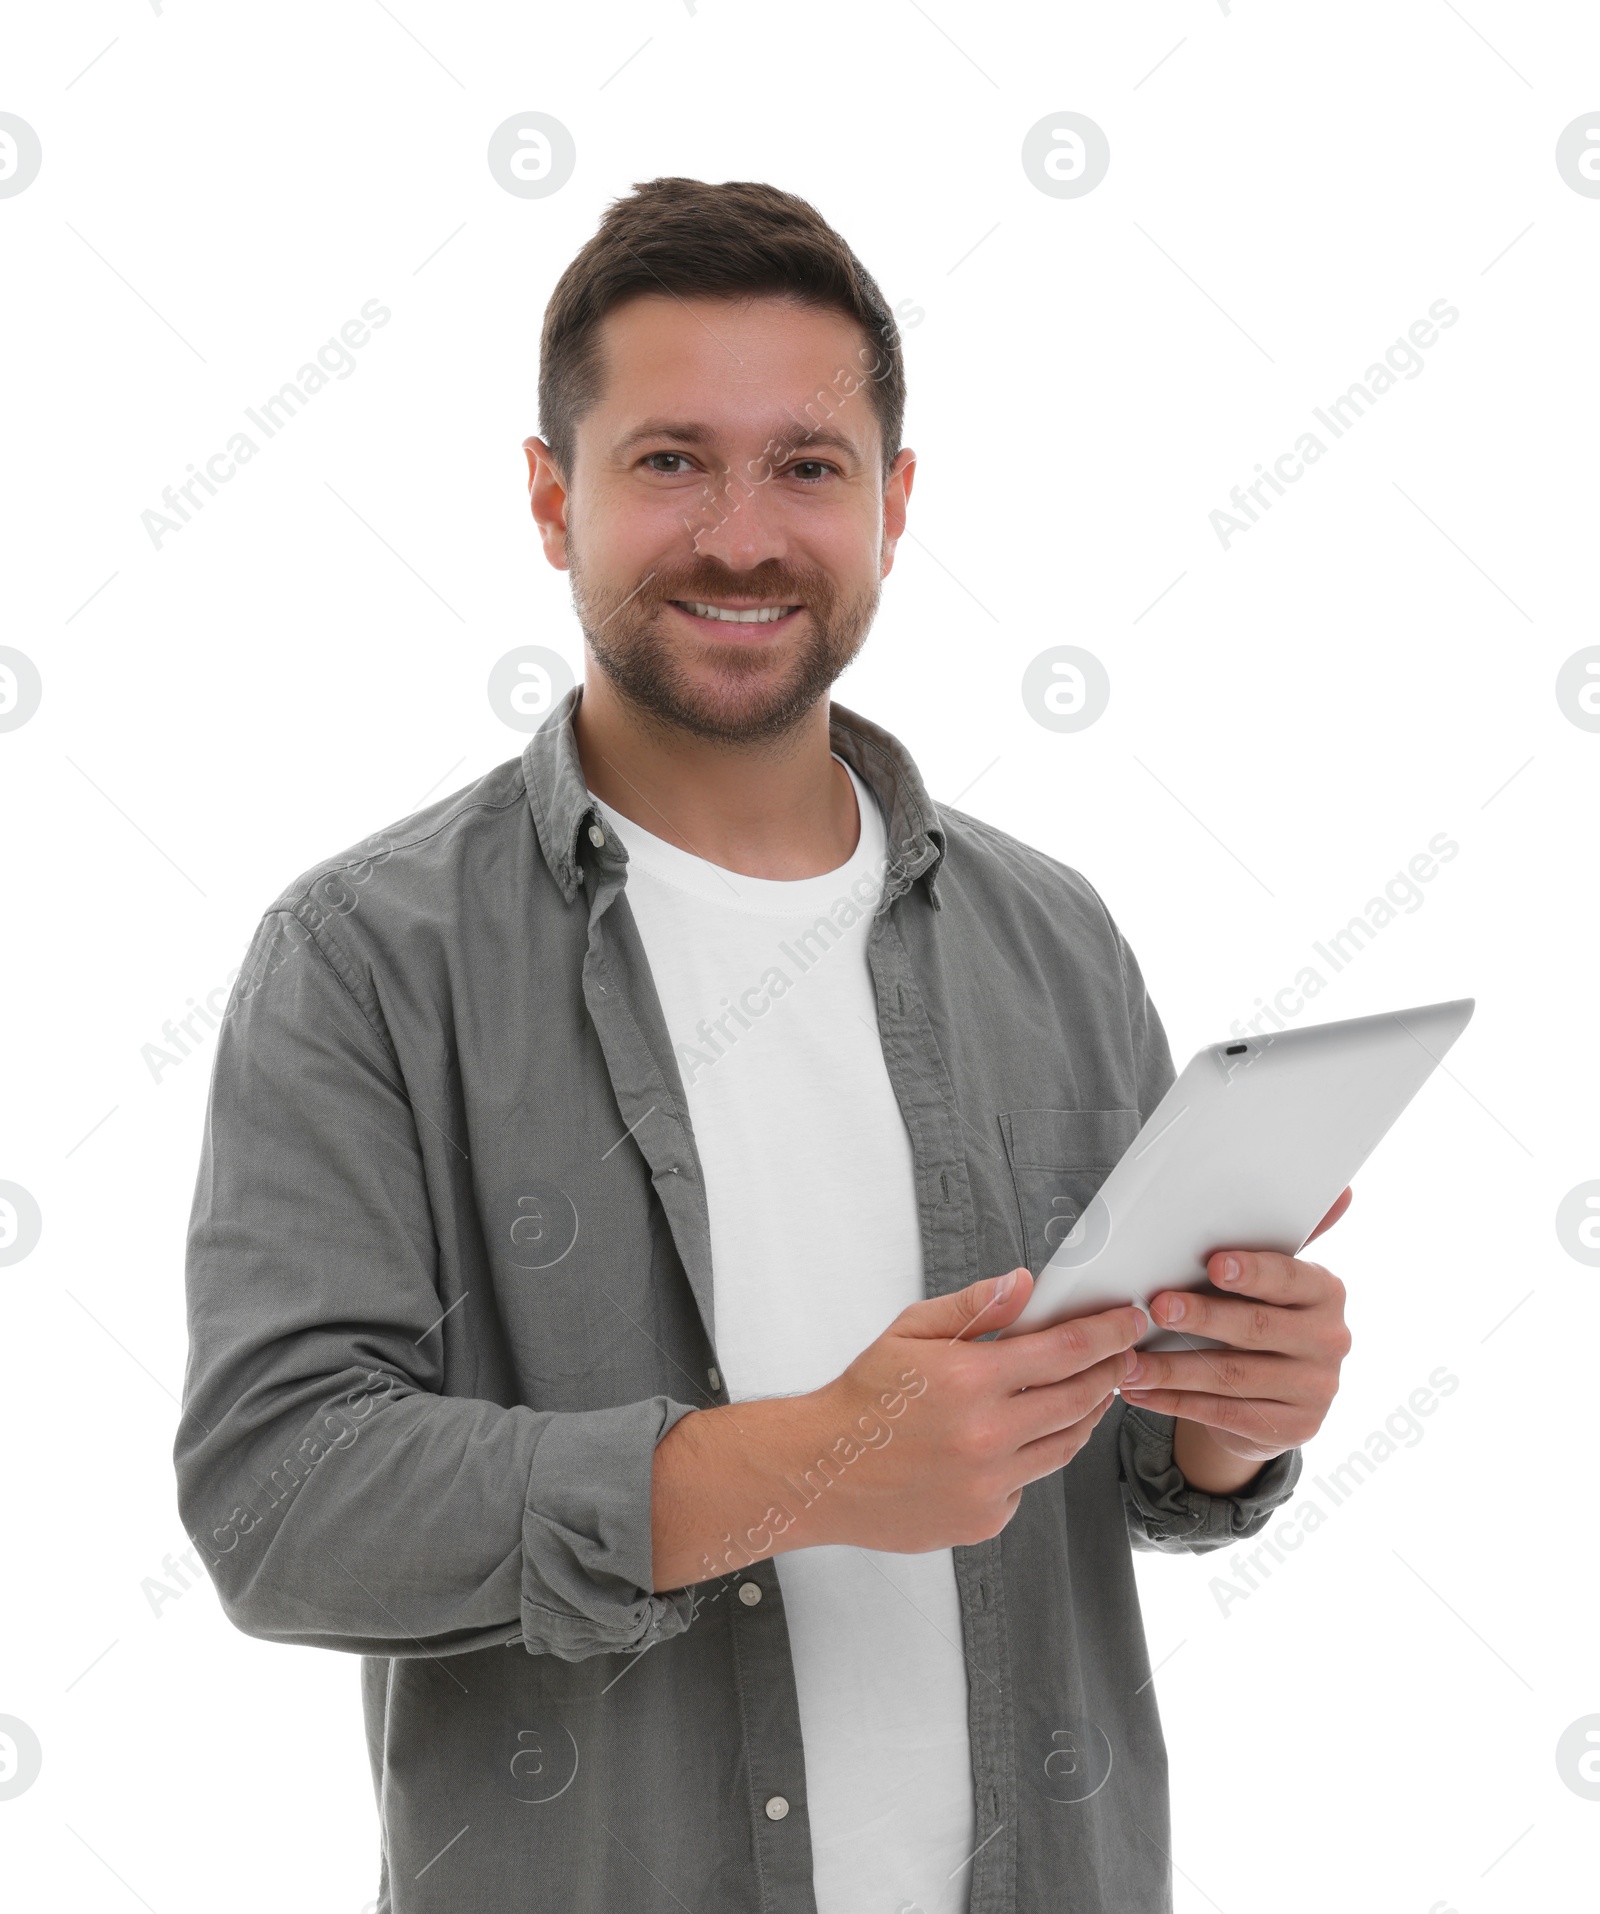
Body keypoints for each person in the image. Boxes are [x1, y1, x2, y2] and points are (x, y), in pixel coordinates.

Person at [175, 176, 1353, 1914]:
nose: (743, 533)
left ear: (893, 504)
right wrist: (808, 1460)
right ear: (547, 493)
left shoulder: (1056, 938)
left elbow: (1119, 1470)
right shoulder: (362, 960)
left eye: (805, 465)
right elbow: (279, 1501)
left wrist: (1227, 1421)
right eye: (669, 461)